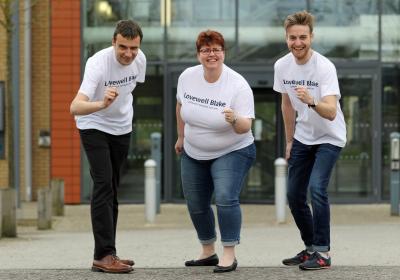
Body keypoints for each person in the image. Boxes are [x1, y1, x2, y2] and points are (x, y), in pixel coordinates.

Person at [175, 30, 256, 274]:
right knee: (196, 203)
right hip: (193, 150)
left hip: (232, 149)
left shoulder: (237, 85)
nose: (212, 54)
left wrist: (234, 119)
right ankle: (208, 251)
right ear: (198, 54)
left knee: (224, 198)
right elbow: (180, 106)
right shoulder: (187, 77)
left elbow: (246, 127)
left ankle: (229, 253)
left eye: (216, 49)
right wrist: (181, 137)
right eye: (206, 50)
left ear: (224, 53)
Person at [70, 20, 146, 274]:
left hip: (122, 128)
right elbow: (75, 107)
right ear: (113, 41)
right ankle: (102, 255)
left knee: (112, 187)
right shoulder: (97, 63)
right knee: (102, 183)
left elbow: (131, 90)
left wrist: (119, 112)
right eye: (122, 47)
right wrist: (102, 104)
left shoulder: (140, 60)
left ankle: (109, 252)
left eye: (133, 48)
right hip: (93, 123)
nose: (128, 53)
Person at [273, 11, 346, 270]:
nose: (298, 43)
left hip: (330, 136)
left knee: (316, 188)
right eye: (293, 38)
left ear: (311, 37)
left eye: (303, 37)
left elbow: (331, 111)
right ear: (286, 38)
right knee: (293, 194)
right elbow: (286, 104)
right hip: (303, 137)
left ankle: (323, 253)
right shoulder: (282, 66)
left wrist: (312, 101)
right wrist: (290, 140)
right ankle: (310, 248)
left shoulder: (324, 67)